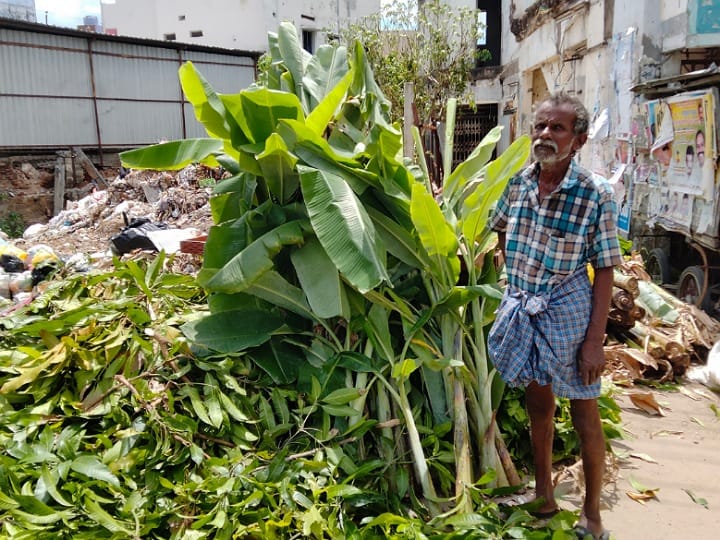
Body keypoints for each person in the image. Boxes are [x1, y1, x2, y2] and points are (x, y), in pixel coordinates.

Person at [488, 92, 622, 540]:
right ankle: (544, 496)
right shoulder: (518, 183)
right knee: (538, 402)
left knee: (585, 413)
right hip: (525, 308)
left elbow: (604, 269)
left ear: (579, 140)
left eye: (558, 128)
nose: (546, 134)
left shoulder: (595, 194)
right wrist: (511, 282)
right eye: (541, 126)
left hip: (569, 313)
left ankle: (593, 516)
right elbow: (501, 231)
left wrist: (594, 341)